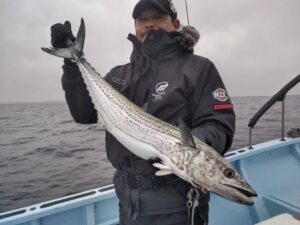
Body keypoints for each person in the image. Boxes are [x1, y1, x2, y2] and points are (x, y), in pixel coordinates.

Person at [50, 0, 235, 224]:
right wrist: (71, 63)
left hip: (178, 204)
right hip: (127, 201)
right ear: (135, 25)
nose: (149, 24)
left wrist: (187, 151)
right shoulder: (119, 74)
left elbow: (218, 125)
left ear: (175, 23)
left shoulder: (198, 69)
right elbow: (84, 114)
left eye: (158, 17)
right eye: (142, 20)